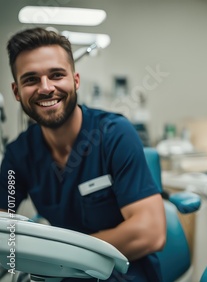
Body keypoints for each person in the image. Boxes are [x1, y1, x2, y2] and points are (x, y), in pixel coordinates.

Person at [0, 27, 166, 281]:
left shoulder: (114, 134)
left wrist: (58, 256)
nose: (46, 88)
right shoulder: (18, 156)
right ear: (16, 92)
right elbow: (4, 220)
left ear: (75, 81)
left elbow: (150, 231)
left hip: (124, 275)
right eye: (31, 79)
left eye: (56, 75)